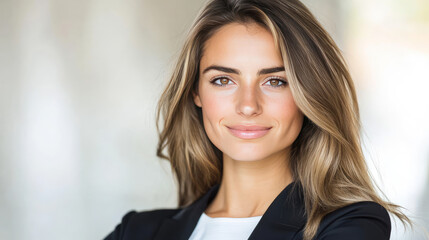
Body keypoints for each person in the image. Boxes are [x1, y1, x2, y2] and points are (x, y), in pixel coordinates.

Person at [104, 0, 413, 239]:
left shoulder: (351, 225)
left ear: (308, 95)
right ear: (196, 92)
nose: (248, 106)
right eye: (223, 80)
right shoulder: (137, 231)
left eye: (275, 81)